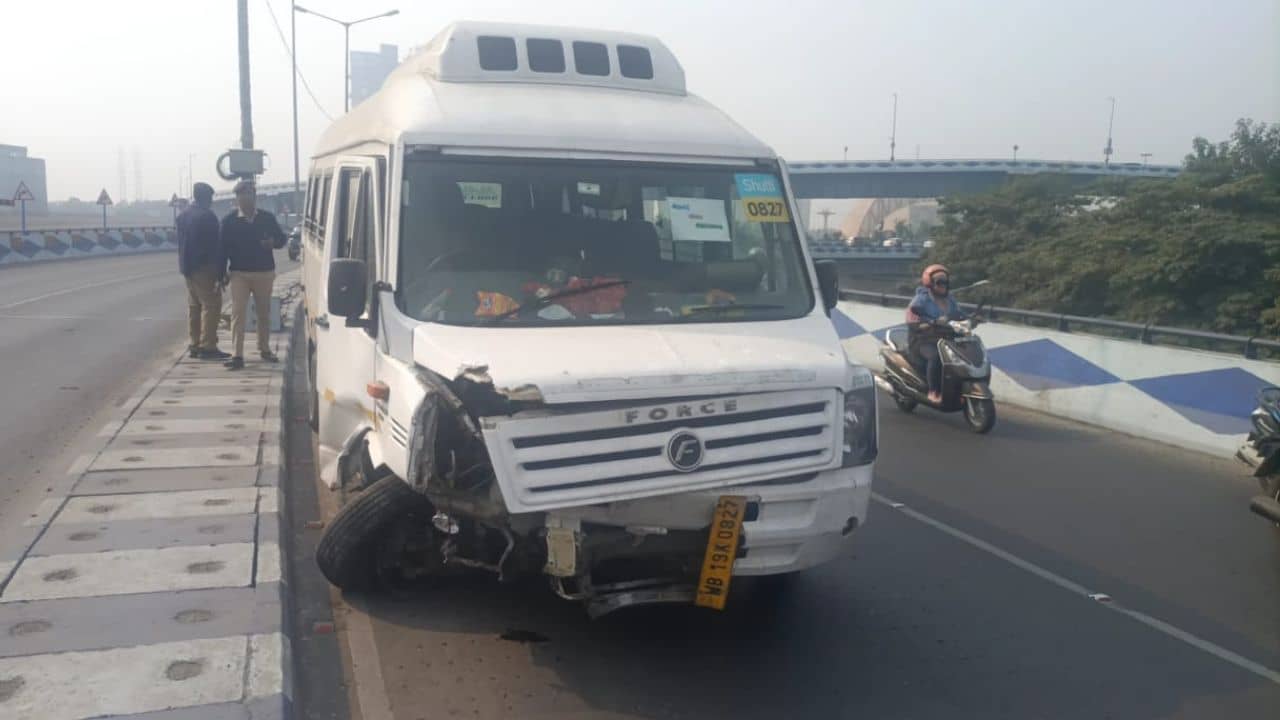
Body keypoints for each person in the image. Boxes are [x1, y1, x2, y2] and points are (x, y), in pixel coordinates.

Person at [220, 179, 286, 370]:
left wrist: (272, 243)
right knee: (238, 313)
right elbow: (222, 250)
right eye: (241, 195)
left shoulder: (267, 218)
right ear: (237, 199)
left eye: (249, 194)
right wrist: (221, 273)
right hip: (239, 273)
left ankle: (264, 349)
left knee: (263, 313)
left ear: (255, 197)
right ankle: (237, 355)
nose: (245, 198)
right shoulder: (229, 221)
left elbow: (281, 240)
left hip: (264, 272)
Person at [176, 182, 230, 360]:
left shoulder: (183, 215)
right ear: (206, 198)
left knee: (194, 306)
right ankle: (208, 346)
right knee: (211, 305)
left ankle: (195, 344)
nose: (212, 201)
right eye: (211, 198)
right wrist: (221, 273)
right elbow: (215, 247)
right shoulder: (207, 217)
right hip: (205, 267)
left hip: (187, 267)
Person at [907, 263, 967, 404]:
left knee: (961, 357)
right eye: (939, 282)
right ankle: (933, 390)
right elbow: (912, 320)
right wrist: (928, 323)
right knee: (936, 357)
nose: (943, 285)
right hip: (923, 340)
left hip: (946, 339)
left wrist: (973, 318)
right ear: (930, 283)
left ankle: (959, 390)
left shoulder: (950, 299)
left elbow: (959, 313)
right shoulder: (921, 300)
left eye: (946, 282)